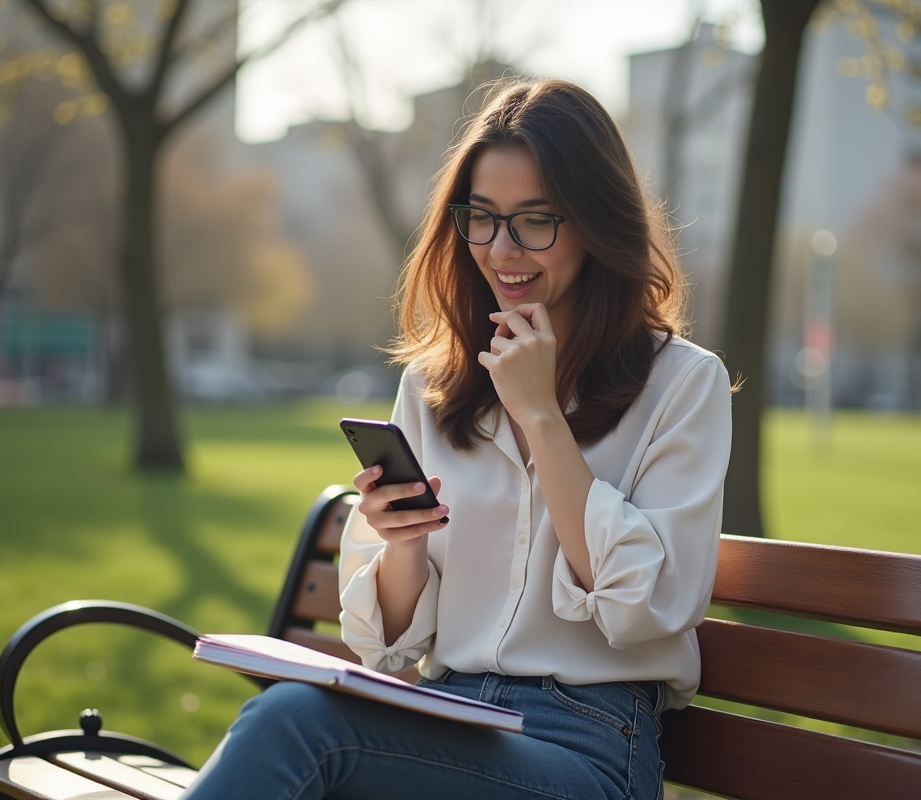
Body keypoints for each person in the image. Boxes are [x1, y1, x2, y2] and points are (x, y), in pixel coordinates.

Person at [182, 78, 733, 800]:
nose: (501, 249)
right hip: (445, 719)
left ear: (597, 221)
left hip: (588, 746)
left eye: (534, 220)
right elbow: (386, 650)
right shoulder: (434, 384)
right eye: (482, 218)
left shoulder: (681, 382)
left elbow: (648, 606)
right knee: (293, 720)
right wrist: (404, 544)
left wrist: (542, 418)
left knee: (294, 724)